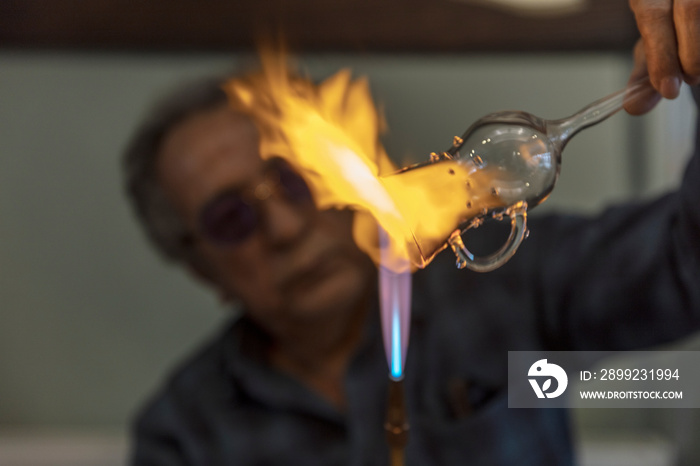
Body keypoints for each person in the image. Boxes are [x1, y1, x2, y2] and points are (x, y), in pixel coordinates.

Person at [123, 1, 700, 464]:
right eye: (232, 219)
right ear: (202, 269)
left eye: (293, 182)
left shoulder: (507, 286)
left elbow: (687, 263)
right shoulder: (184, 435)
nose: (284, 227)